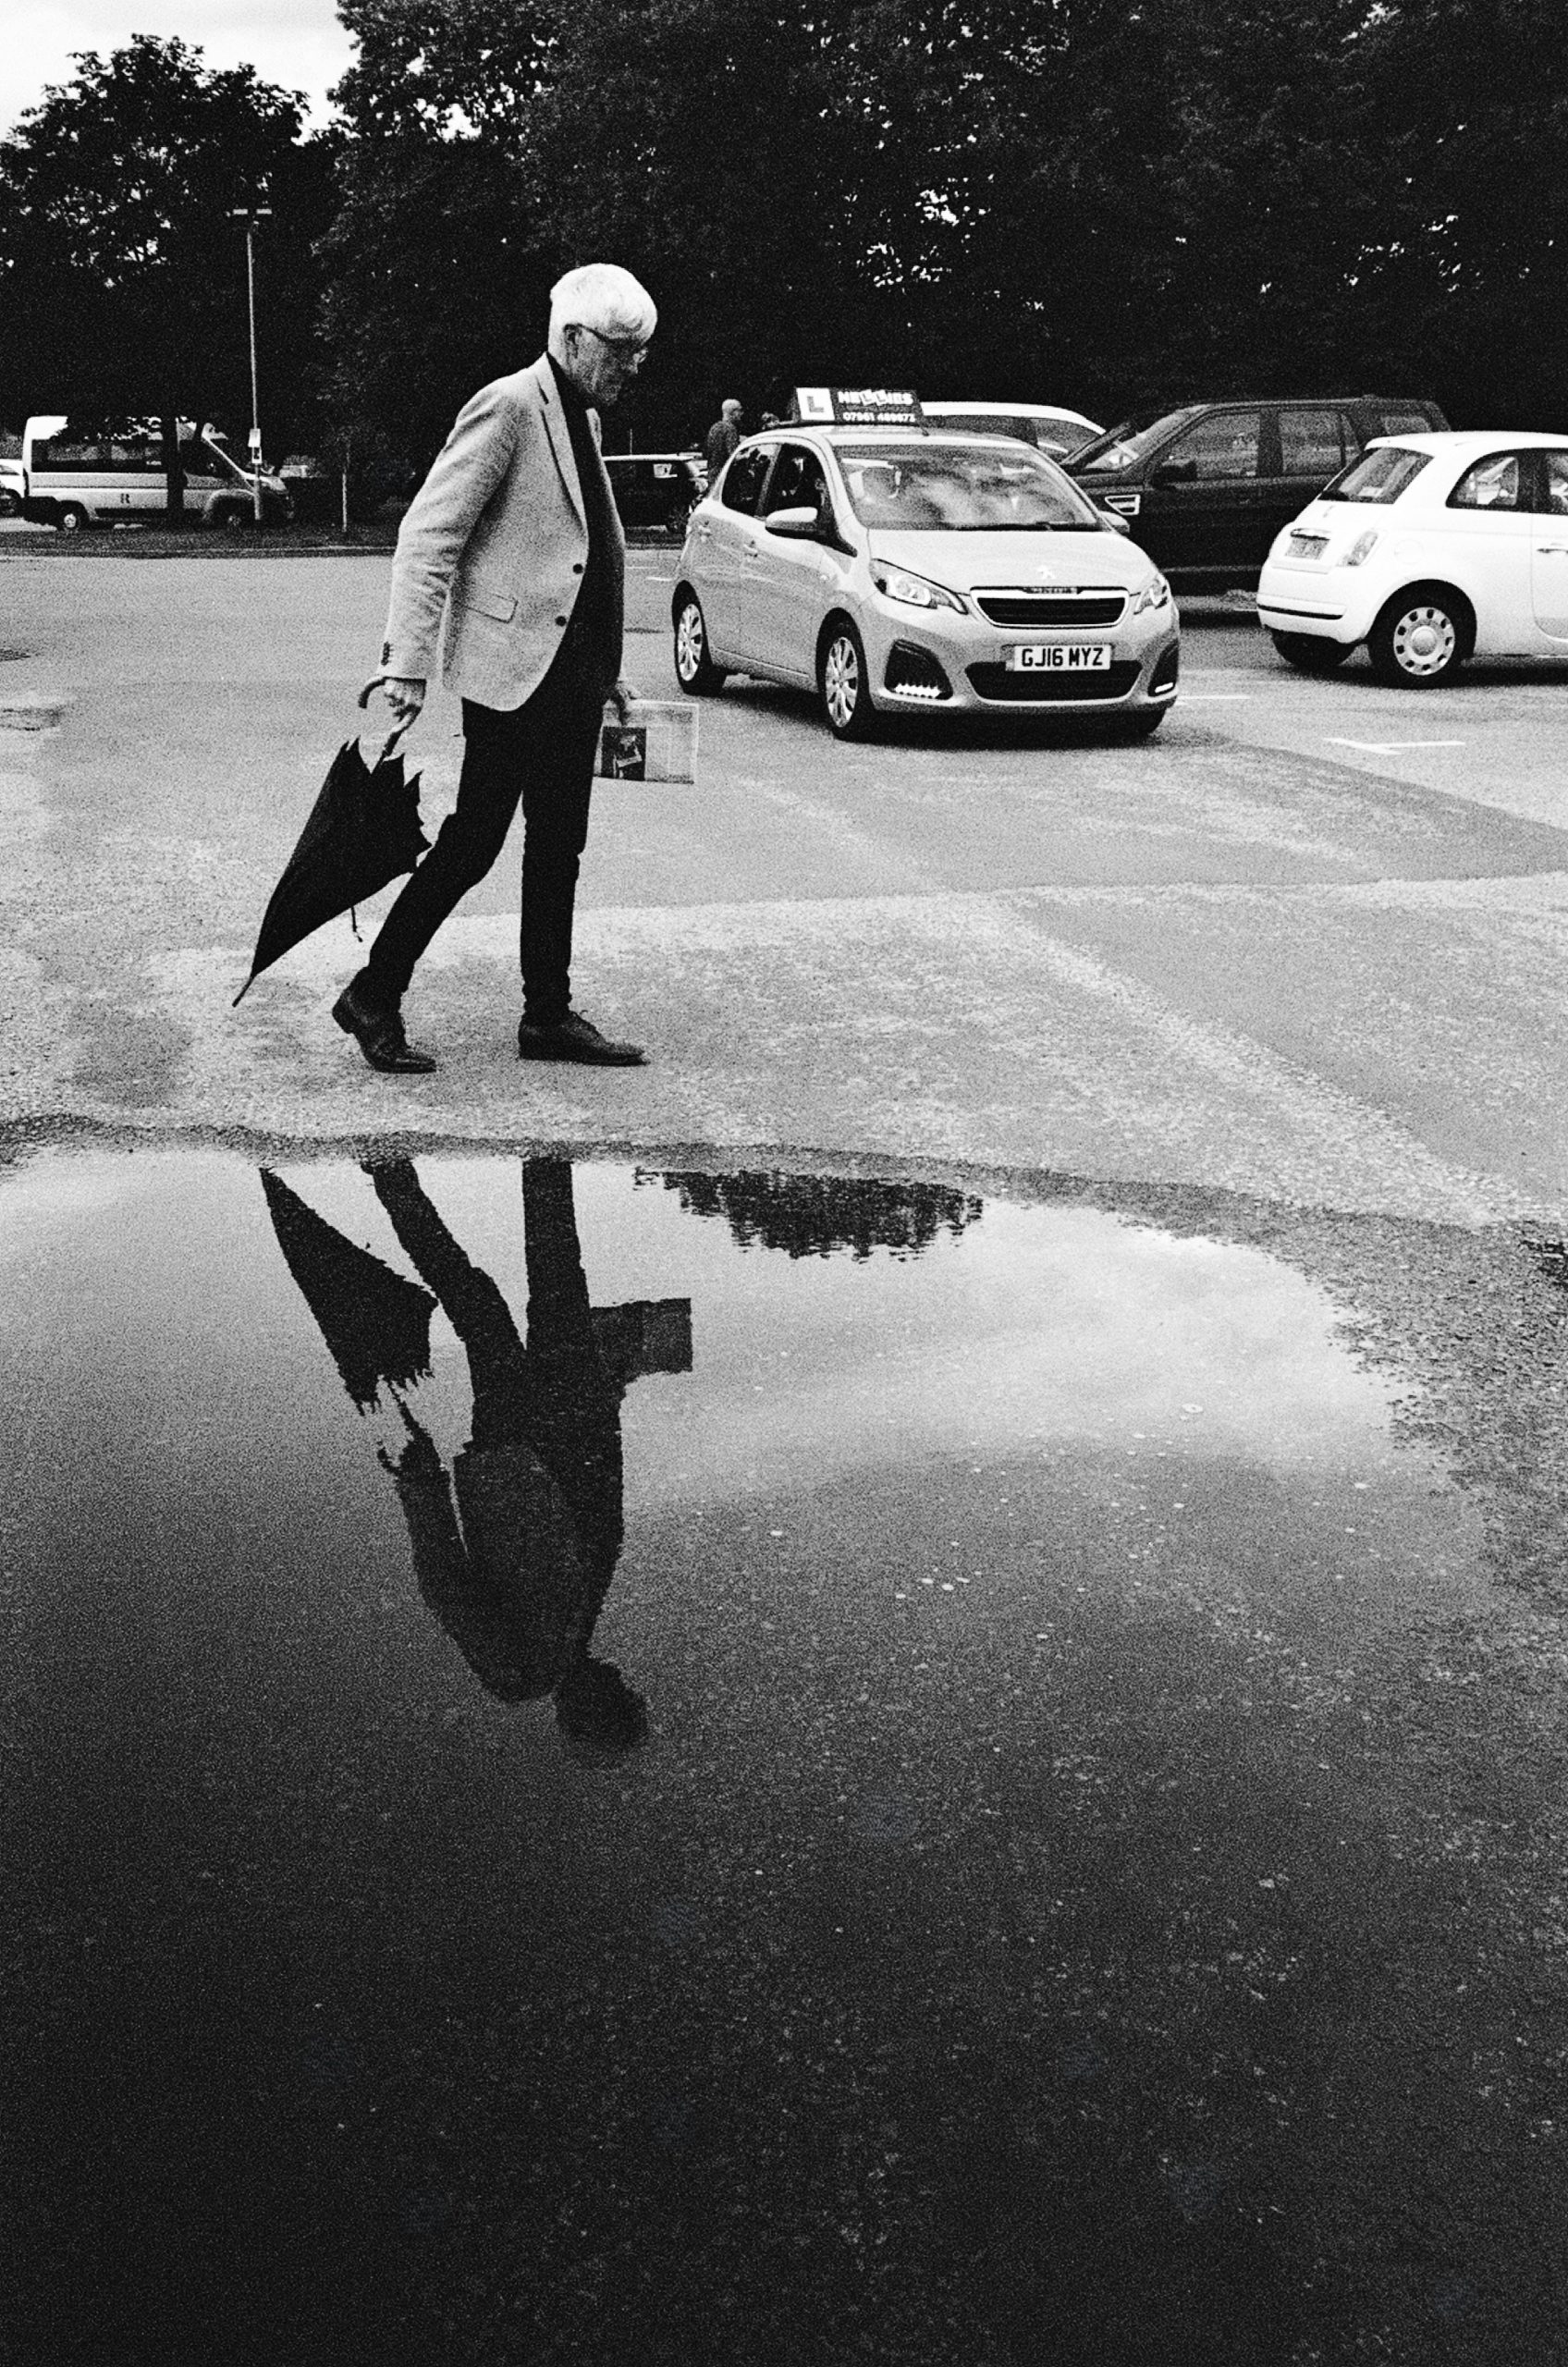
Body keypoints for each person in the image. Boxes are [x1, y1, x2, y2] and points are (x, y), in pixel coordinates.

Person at [330, 261, 658, 1075]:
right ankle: (373, 993)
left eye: (640, 351)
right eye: (623, 349)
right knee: (474, 843)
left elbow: (584, 554)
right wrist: (406, 664)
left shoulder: (580, 413)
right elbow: (428, 536)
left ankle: (546, 1016)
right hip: (514, 671)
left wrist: (605, 663)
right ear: (575, 340)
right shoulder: (510, 407)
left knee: (558, 845)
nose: (634, 365)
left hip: (571, 676)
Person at [704, 398, 742, 483]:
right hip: (725, 477)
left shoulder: (714, 428)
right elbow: (733, 456)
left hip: (712, 474)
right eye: (739, 410)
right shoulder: (730, 429)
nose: (741, 414)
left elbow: (707, 452)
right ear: (733, 412)